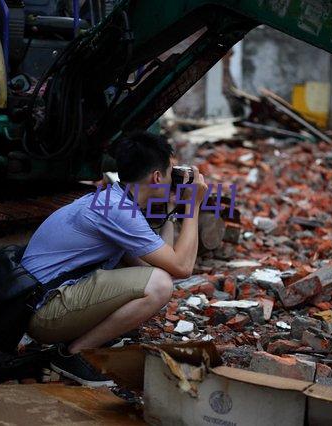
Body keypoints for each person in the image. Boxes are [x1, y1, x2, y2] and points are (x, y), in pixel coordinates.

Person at [20, 131, 207, 386]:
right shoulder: (119, 211)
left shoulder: (112, 200)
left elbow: (151, 265)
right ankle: (71, 355)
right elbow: (181, 267)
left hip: (40, 305)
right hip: (44, 315)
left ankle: (78, 341)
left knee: (155, 279)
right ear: (156, 176)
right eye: (170, 171)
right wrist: (193, 206)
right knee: (160, 286)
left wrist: (173, 211)